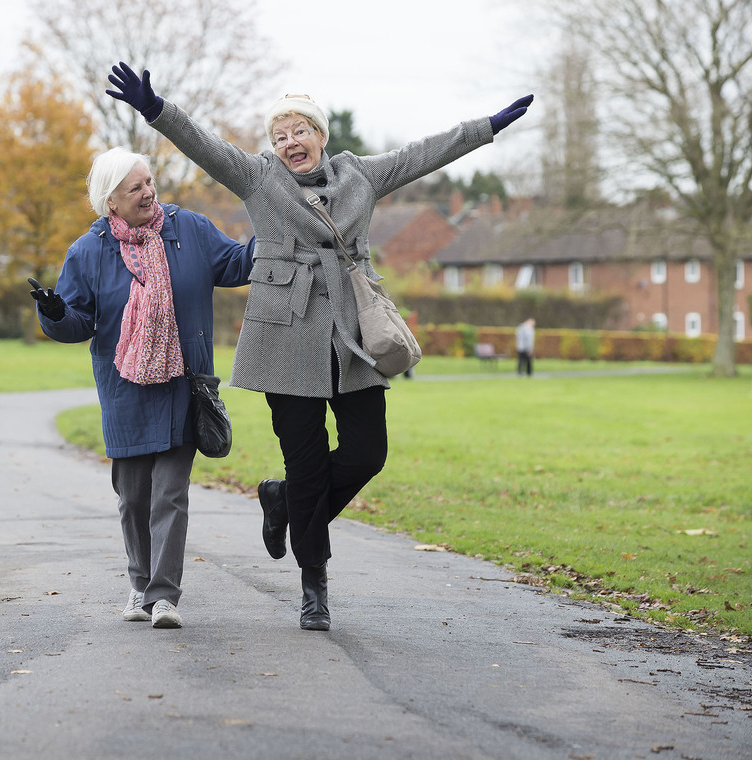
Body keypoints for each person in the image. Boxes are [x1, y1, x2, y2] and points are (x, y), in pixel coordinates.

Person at [106, 62, 532, 631]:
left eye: (299, 131)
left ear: (320, 135)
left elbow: (420, 154)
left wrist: (485, 128)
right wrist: (156, 109)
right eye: (280, 136)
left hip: (351, 338)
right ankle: (315, 587)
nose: (289, 143)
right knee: (306, 466)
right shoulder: (259, 178)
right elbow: (204, 146)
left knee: (366, 452)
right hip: (283, 340)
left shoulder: (359, 176)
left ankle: (284, 502)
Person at [29, 147, 254, 629]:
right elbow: (77, 323)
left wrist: (276, 231)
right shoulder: (88, 252)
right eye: (136, 188)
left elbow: (237, 264)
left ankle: (164, 596)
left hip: (182, 384)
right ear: (110, 202)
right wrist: (52, 311)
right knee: (133, 497)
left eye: (149, 182)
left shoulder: (188, 230)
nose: (149, 192)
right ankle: (139, 584)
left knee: (170, 494)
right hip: (125, 390)